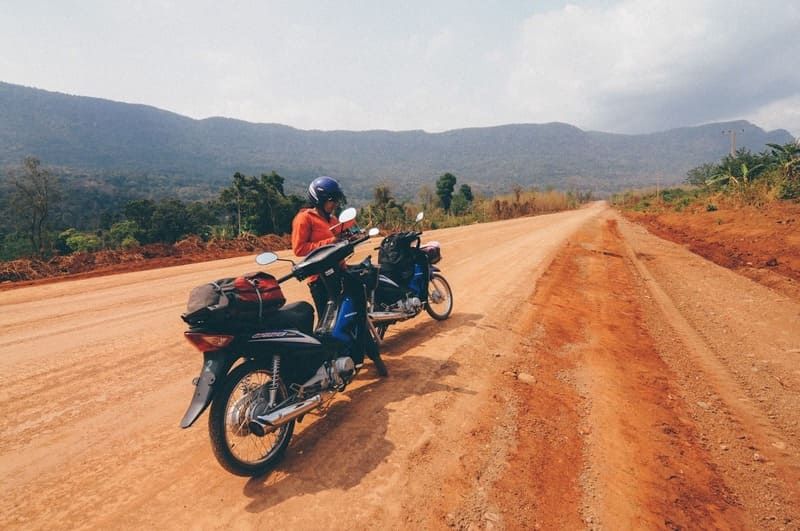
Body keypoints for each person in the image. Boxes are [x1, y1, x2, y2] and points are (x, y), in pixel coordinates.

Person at [291, 176, 348, 320]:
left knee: (345, 315)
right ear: (319, 200)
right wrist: (331, 241)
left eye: (336, 200)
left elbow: (338, 245)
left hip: (338, 272)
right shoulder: (304, 218)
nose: (334, 204)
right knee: (328, 320)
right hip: (320, 278)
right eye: (331, 200)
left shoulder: (333, 220)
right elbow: (299, 248)